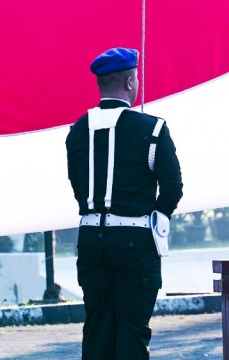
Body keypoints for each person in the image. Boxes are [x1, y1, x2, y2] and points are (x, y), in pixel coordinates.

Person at [66, 47, 184, 359]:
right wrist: (154, 217)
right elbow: (173, 187)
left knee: (97, 329)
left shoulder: (76, 131)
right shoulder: (153, 129)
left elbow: (78, 186)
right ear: (130, 83)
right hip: (135, 241)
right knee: (132, 332)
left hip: (91, 239)